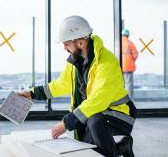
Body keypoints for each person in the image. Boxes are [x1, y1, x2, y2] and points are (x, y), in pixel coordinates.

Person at [19, 16, 137, 157]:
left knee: (94, 120)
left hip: (120, 115)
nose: (64, 48)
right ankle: (123, 147)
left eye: (67, 44)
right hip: (97, 113)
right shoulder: (75, 62)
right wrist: (33, 94)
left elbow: (98, 101)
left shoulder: (107, 63)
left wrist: (66, 123)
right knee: (86, 148)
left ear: (80, 43)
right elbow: (62, 84)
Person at [121, 29, 138, 101]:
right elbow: (135, 55)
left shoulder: (118, 43)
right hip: (128, 67)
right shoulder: (130, 43)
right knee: (128, 85)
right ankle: (128, 100)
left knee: (121, 84)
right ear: (128, 35)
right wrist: (131, 60)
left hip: (120, 67)